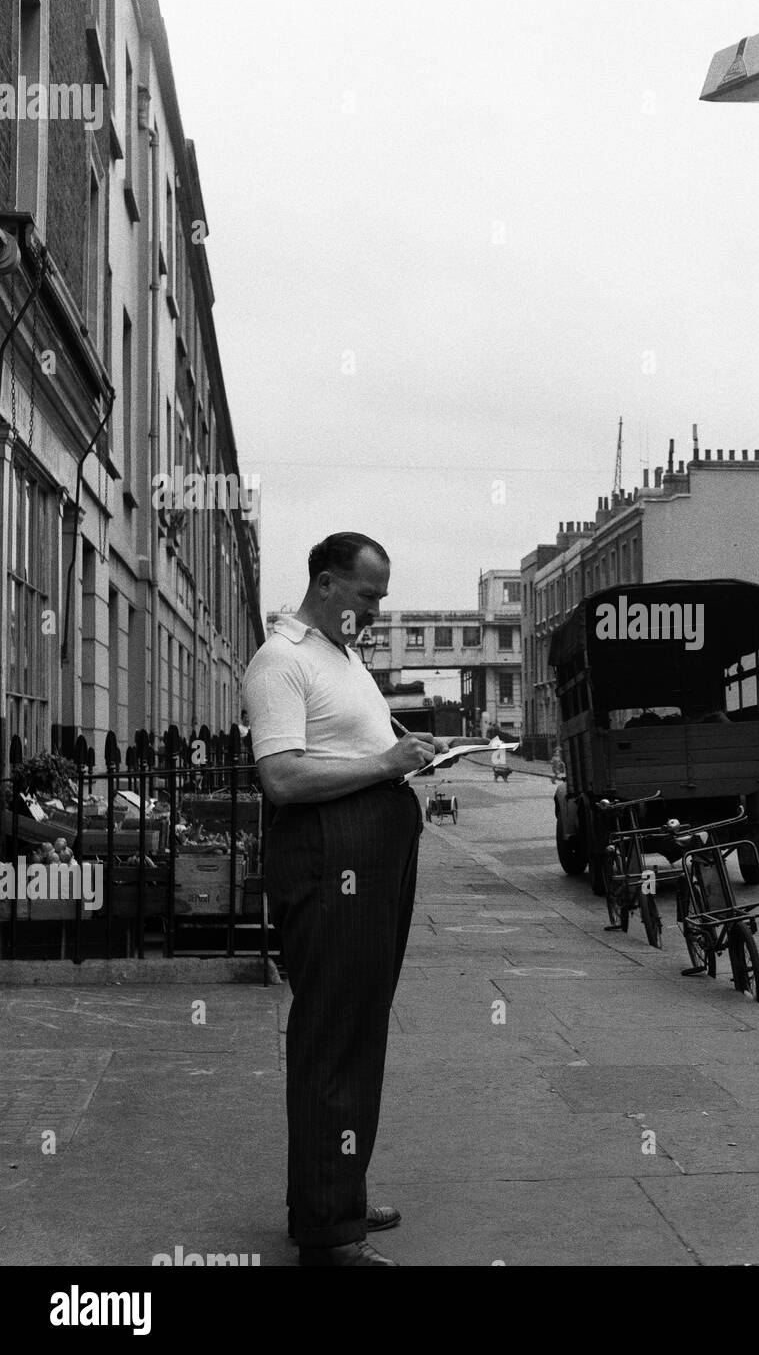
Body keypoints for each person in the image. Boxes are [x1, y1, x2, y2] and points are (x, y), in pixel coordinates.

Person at [243, 532, 445, 1267]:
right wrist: (384, 762)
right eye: (369, 596)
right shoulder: (281, 662)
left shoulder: (344, 655)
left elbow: (351, 750)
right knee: (332, 1036)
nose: (378, 611)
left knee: (361, 1030)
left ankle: (339, 1193)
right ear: (327, 585)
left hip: (373, 851)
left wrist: (403, 751)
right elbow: (285, 780)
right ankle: (328, 1236)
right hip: (332, 859)